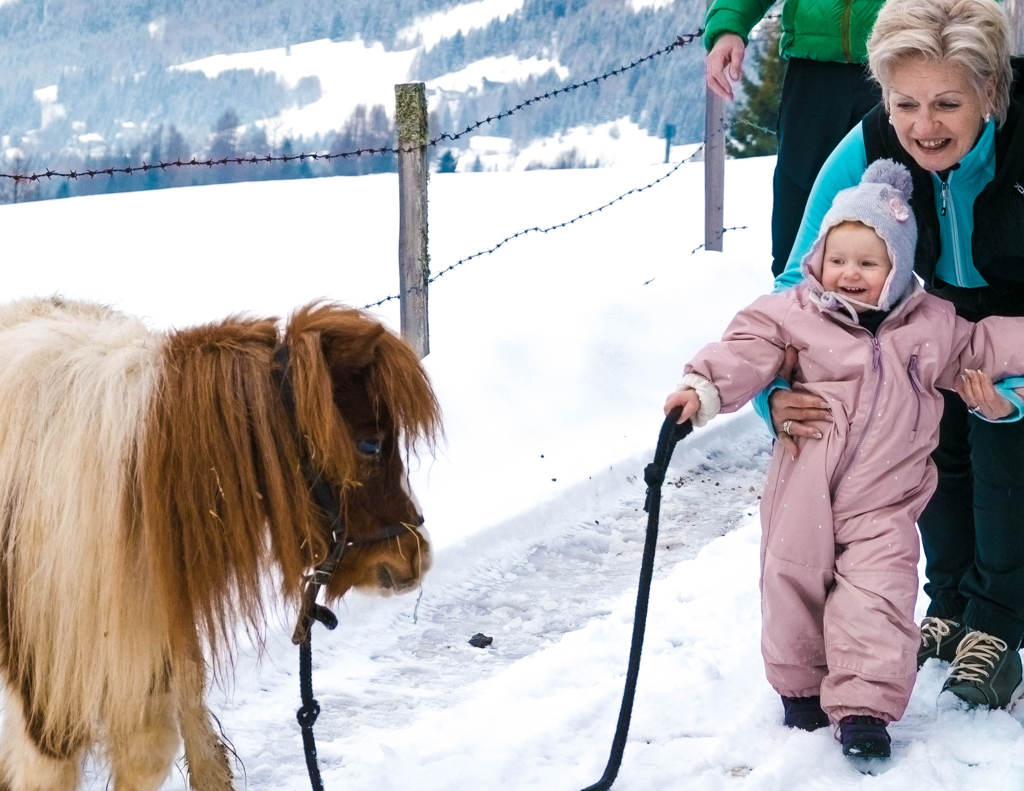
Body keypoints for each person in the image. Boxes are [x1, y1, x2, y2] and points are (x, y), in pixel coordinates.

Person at [665, 161, 1024, 760]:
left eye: (868, 261)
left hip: (885, 499)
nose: (849, 274)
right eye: (838, 258)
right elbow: (745, 351)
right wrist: (701, 389)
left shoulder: (930, 326)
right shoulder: (789, 315)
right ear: (819, 258)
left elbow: (985, 344)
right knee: (792, 585)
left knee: (877, 595)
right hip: (802, 490)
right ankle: (801, 687)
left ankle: (864, 707)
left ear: (899, 268)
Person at [763, 0, 1024, 710]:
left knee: (1004, 433)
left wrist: (1021, 393)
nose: (924, 125)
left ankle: (999, 622)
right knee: (922, 429)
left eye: (948, 102)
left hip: (1017, 327)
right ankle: (950, 602)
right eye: (905, 102)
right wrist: (773, 394)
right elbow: (797, 284)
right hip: (930, 315)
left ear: (991, 94)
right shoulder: (869, 144)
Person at [704, 0, 884, 275]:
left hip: (898, 63)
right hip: (812, 74)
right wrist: (729, 26)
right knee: (799, 205)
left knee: (896, 203)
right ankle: (790, 303)